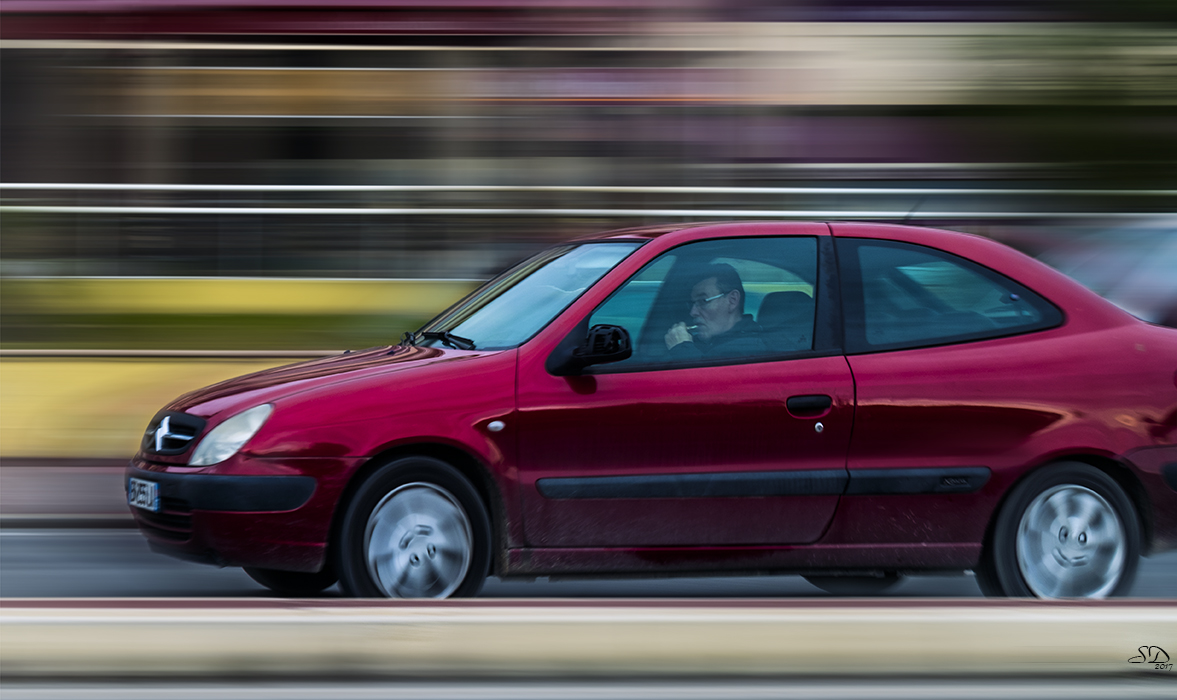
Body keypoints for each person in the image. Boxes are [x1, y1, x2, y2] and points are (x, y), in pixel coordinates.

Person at [664, 263, 770, 359]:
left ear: (732, 300)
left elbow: (708, 379)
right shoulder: (706, 342)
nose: (693, 312)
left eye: (703, 301)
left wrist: (681, 349)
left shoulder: (748, 348)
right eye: (692, 304)